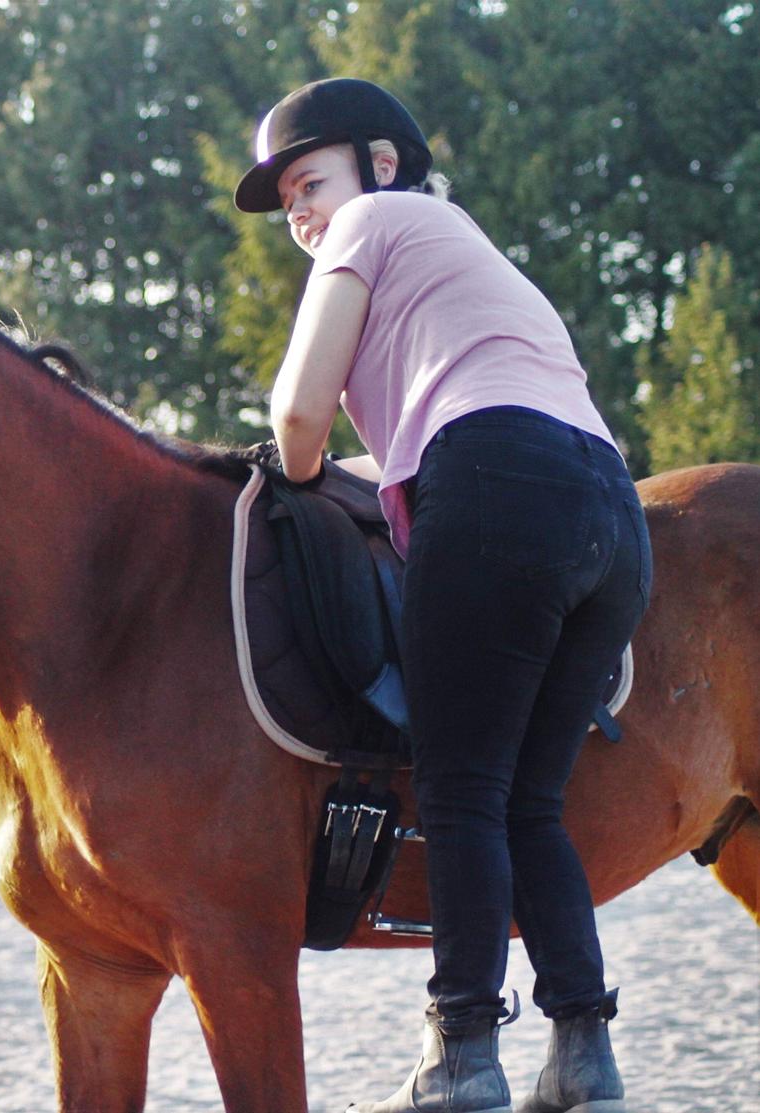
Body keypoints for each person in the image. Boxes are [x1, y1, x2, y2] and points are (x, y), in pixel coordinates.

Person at [234, 78, 652, 1113]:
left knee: (461, 791)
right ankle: (584, 1056)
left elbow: (296, 421)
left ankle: (464, 1054)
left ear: (380, 164)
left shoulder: (372, 222)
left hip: (498, 488)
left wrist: (287, 476)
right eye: (286, 197)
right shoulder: (468, 254)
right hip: (609, 509)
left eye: (308, 179)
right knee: (529, 803)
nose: (298, 210)